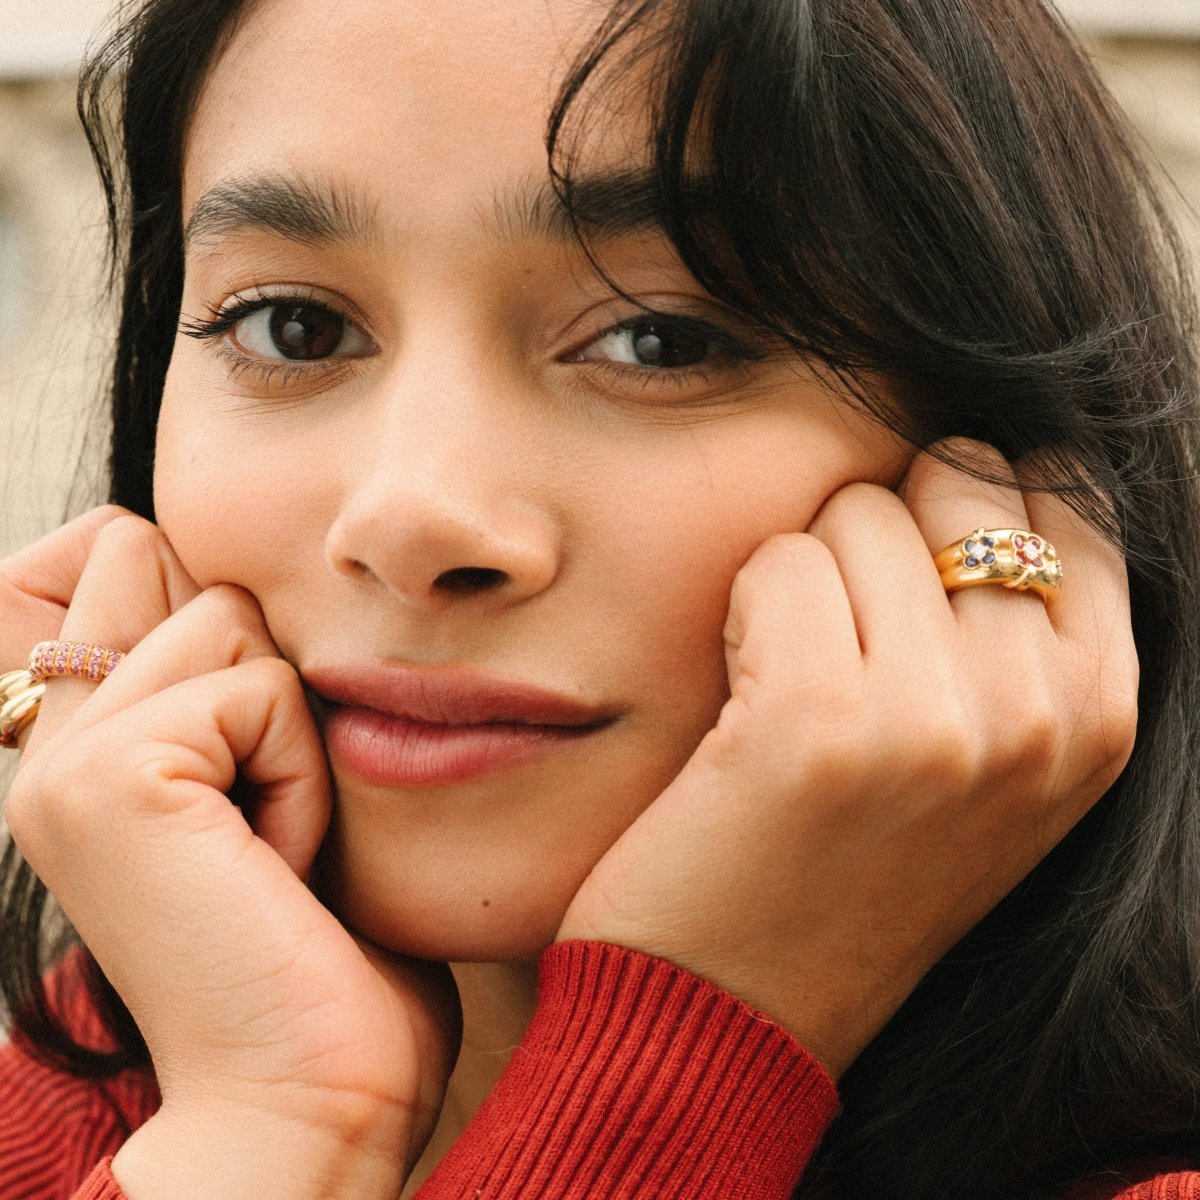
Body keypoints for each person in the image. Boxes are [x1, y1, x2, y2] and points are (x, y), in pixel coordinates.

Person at [0, 0, 1197, 1196]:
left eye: (660, 342)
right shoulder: (87, 1095)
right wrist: (272, 1116)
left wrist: (688, 1047)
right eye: (293, 326)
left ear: (1006, 478)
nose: (412, 520)